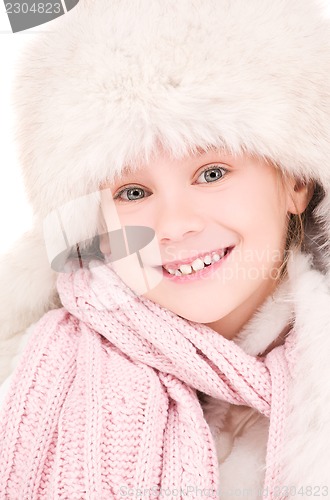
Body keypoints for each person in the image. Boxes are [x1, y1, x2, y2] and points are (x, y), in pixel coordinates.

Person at [1, 0, 330, 497]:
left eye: (212, 173)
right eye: (133, 192)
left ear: (296, 184)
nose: (174, 226)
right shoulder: (28, 383)